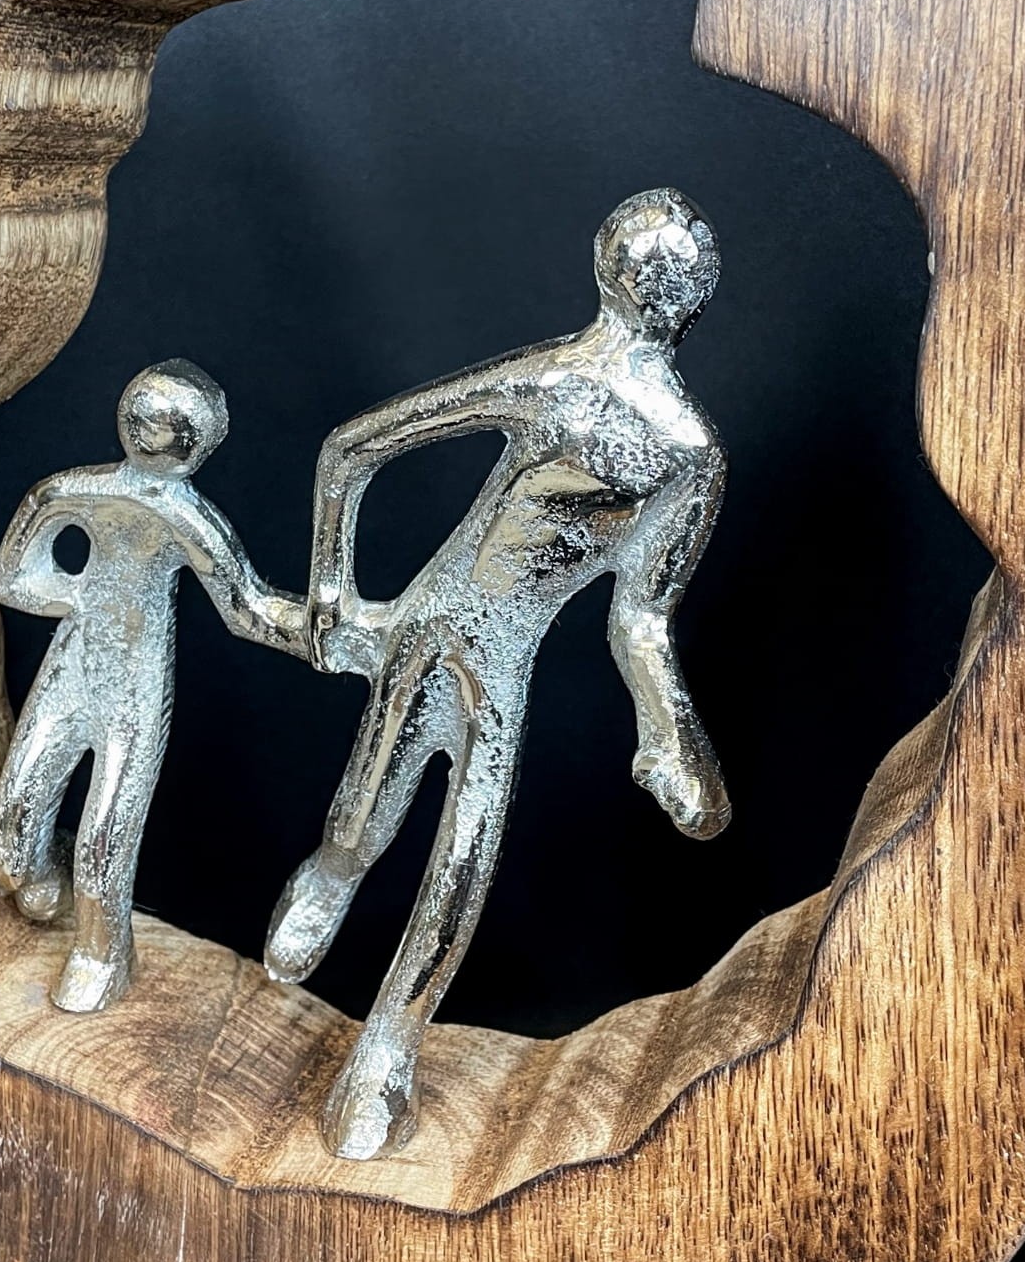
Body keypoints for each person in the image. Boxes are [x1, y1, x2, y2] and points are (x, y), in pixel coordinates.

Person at [269, 188, 731, 1159]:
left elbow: (642, 620)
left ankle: (386, 1051)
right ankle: (330, 879)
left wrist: (671, 736)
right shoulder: (559, 383)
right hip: (434, 629)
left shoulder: (688, 456)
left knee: (461, 864)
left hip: (502, 664)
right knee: (363, 820)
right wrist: (328, 594)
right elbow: (353, 448)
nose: (659, 285)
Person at [0, 360, 305, 1012]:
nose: (155, 431)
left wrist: (324, 633)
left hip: (133, 692)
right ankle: (41, 883)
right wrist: (77, 598)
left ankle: (101, 955)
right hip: (72, 669)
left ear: (197, 443)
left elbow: (247, 609)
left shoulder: (187, 520)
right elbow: (14, 578)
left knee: (105, 839)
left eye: (170, 423)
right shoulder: (70, 490)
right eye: (150, 413)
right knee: (12, 841)